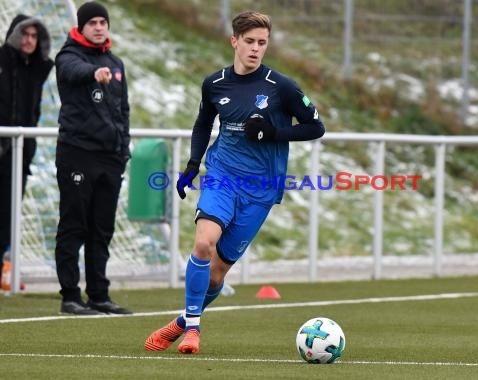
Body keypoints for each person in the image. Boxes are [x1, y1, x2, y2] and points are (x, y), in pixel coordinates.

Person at [144, 11, 325, 354]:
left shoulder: (281, 86)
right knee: (203, 244)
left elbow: (316, 127)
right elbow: (202, 124)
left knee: (215, 275)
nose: (256, 49)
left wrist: (275, 133)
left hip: (260, 190)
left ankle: (182, 322)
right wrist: (193, 165)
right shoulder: (215, 84)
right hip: (222, 177)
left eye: (262, 43)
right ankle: (195, 331)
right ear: (234, 42)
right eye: (250, 42)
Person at [54, 1, 131, 315]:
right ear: (82, 27)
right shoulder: (68, 56)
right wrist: (92, 73)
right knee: (74, 225)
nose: (99, 27)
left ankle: (99, 294)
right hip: (78, 154)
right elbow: (74, 72)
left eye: (103, 22)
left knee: (102, 228)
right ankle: (70, 296)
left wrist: (123, 148)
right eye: (93, 23)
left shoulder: (115, 63)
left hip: (109, 158)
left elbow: (122, 111)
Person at [0, 15, 54, 288]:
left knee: (10, 213)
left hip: (20, 153)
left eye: (34, 36)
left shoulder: (36, 69)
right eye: (25, 34)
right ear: (14, 35)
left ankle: (5, 269)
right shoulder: (2, 61)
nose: (29, 40)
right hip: (3, 145)